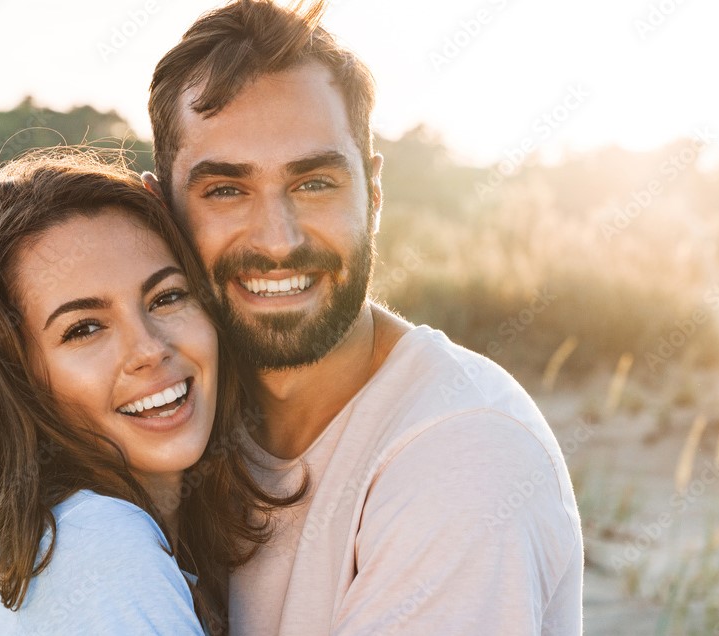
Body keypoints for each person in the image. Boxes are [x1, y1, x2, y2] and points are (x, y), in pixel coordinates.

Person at [143, 1, 584, 633]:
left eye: (314, 183)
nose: (277, 240)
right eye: (226, 190)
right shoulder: (175, 416)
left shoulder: (464, 457)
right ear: (162, 213)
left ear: (373, 196)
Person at [0, 149, 300, 635]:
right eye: (84, 329)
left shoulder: (47, 543)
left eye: (166, 297)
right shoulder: (99, 547)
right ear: (23, 379)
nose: (148, 349)